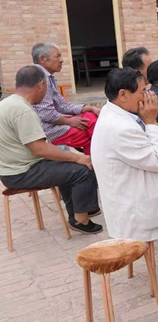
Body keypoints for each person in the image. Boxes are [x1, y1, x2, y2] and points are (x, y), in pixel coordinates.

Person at [0, 66, 102, 233]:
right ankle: (81, 220)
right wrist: (78, 157)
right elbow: (40, 149)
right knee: (82, 169)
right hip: (22, 172)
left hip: (13, 168)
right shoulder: (24, 110)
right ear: (41, 85)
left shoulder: (7, 103)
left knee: (66, 164)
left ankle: (80, 211)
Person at [91, 68, 158, 242]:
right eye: (143, 91)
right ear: (123, 95)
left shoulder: (112, 111)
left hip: (129, 200)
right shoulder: (121, 128)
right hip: (134, 212)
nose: (148, 96)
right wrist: (151, 122)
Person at [31, 42, 101, 153]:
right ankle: (96, 158)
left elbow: (62, 105)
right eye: (57, 56)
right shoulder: (40, 78)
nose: (61, 60)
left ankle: (95, 156)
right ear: (43, 59)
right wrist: (68, 121)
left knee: (90, 117)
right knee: (92, 130)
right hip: (47, 130)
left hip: (51, 125)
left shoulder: (45, 76)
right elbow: (46, 113)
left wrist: (89, 108)